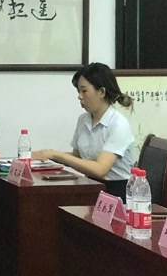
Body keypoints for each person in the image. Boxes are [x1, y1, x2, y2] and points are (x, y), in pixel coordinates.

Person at [33, 62, 134, 201]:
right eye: (78, 92)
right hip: (91, 186)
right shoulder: (84, 119)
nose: (80, 96)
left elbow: (100, 169)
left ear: (101, 92)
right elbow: (78, 157)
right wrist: (47, 157)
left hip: (116, 192)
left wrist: (55, 154)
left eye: (84, 91)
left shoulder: (118, 124)